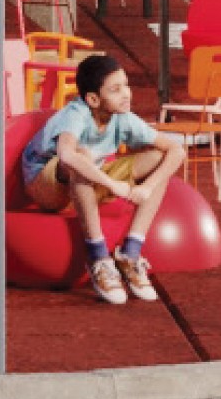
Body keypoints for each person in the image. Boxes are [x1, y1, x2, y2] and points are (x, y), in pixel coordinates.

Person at [19, 53, 189, 305]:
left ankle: (129, 252)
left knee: (158, 158)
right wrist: (112, 185)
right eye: (116, 89)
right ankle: (98, 258)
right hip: (46, 186)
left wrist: (147, 187)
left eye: (126, 85)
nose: (127, 94)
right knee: (82, 155)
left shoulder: (123, 119)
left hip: (85, 184)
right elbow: (67, 155)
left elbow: (177, 150)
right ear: (93, 99)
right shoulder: (76, 114)